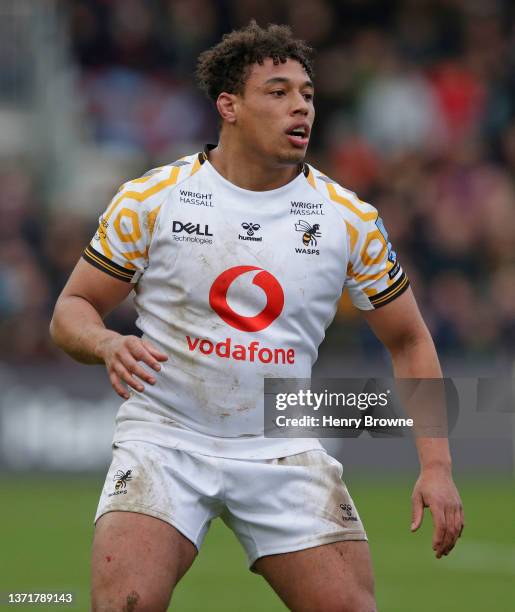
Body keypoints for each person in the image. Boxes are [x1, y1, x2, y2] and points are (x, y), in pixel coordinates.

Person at [50, 21, 464, 612]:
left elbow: (410, 340)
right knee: (124, 603)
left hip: (280, 445)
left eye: (307, 94)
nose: (300, 106)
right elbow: (71, 308)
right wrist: (106, 343)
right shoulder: (153, 198)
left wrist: (438, 467)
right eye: (278, 91)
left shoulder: (349, 219)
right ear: (230, 106)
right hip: (166, 438)